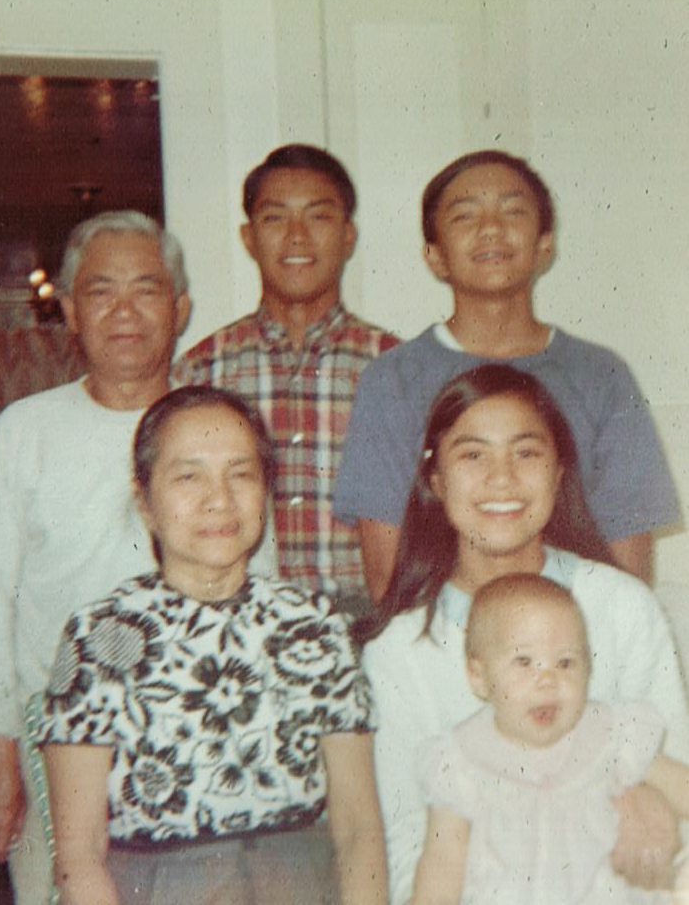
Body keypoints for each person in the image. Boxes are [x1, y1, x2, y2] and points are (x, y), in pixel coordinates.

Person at [37, 385, 387, 905]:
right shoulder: (99, 635)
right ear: (146, 502)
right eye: (188, 476)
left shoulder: (315, 625)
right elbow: (79, 852)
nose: (218, 498)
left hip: (302, 886)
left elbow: (359, 826)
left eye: (241, 474)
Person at [355, 364, 689, 905]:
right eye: (472, 454)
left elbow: (677, 787)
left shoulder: (623, 607)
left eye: (526, 452)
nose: (502, 478)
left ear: (559, 473)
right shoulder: (400, 651)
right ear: (436, 482)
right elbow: (408, 840)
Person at [0, 210, 196, 905]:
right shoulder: (25, 430)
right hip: (50, 733)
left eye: (147, 290)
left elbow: (255, 583)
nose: (125, 311)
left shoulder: (211, 423)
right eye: (100, 291)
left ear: (178, 309)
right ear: (68, 311)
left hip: (186, 724)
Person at [334, 149, 679, 597]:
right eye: (464, 216)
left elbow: (630, 578)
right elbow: (388, 579)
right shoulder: (393, 380)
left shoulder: (601, 376)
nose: (491, 228)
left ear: (544, 245)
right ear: (435, 256)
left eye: (513, 211)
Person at [173, 144, 399, 617]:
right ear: (249, 237)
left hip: (363, 619)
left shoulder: (396, 367)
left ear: (348, 235)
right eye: (276, 219)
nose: (297, 237)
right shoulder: (200, 371)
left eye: (317, 217)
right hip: (234, 615)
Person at [410, 573, 689, 905]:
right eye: (524, 662)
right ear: (479, 676)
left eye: (566, 663)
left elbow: (680, 785)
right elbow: (441, 868)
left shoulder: (612, 736)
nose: (547, 680)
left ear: (589, 668)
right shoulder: (460, 760)